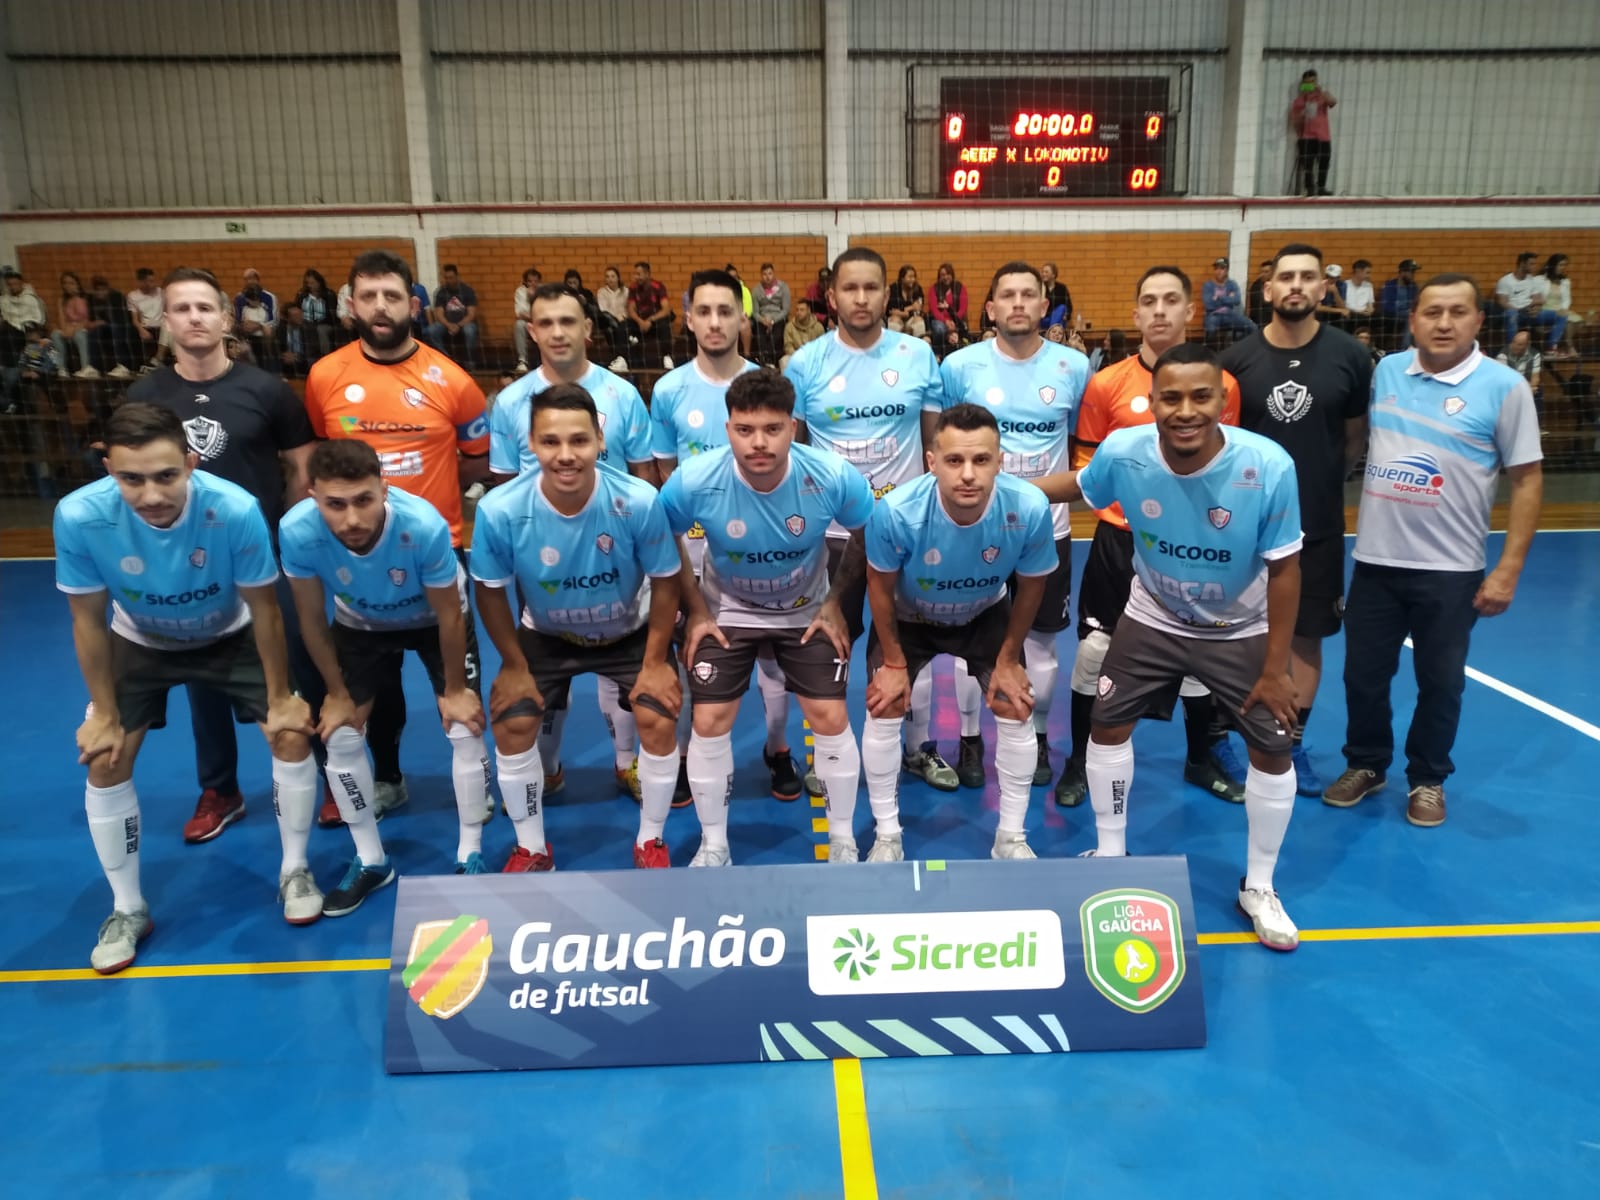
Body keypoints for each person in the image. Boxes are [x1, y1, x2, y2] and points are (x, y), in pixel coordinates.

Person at [1033, 343, 1305, 950]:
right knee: (1107, 725)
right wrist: (997, 488)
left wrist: (1276, 668)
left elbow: (1286, 570)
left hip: (1238, 629)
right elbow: (1078, 485)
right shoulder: (1125, 451)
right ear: (1151, 401)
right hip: (1152, 617)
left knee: (1271, 750)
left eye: (1201, 397)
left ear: (1223, 401)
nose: (1186, 411)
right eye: (1171, 397)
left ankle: (1259, 886)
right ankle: (1110, 854)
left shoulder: (1269, 466)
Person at [54, 402, 321, 973]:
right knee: (104, 757)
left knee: (292, 734)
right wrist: (104, 714)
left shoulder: (235, 508)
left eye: (165, 476)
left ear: (191, 462)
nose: (151, 494)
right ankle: (128, 908)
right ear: (108, 468)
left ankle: (295, 870)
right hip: (140, 642)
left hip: (230, 635)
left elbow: (265, 609)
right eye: (132, 479)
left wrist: (281, 698)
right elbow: (87, 621)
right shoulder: (78, 516)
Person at [1323, 275, 1542, 827]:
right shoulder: (1387, 373)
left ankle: (1427, 778)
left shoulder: (1504, 387)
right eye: (1433, 312)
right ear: (1412, 320)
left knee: (1440, 683)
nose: (1444, 323)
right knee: (1362, 678)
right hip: (1375, 562)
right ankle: (1366, 764)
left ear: (1479, 321)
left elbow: (1527, 480)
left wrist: (1509, 569)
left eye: (1458, 312)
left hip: (1451, 571)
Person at [128, 265, 321, 842]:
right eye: (182, 308)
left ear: (225, 318)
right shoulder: (146, 395)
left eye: (205, 307)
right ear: (166, 320)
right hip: (185, 561)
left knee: (296, 663)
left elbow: (302, 464)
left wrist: (282, 531)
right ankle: (220, 789)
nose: (194, 318)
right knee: (204, 675)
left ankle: (324, 775)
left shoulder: (265, 390)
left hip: (263, 555)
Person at [303, 249, 491, 825]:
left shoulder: (452, 380)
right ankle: (387, 779)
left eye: (391, 296)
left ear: (412, 304)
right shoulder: (325, 377)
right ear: (351, 304)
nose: (380, 307)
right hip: (354, 556)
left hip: (436, 551)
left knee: (457, 683)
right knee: (376, 687)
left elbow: (476, 460)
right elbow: (322, 460)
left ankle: (476, 783)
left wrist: (423, 509)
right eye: (368, 296)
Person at [661, 369, 873, 864]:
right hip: (727, 609)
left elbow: (867, 534)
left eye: (772, 429)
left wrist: (836, 603)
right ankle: (714, 846)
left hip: (805, 610)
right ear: (728, 429)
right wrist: (695, 609)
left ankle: (842, 840)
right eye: (745, 430)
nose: (759, 443)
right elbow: (663, 539)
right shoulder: (694, 480)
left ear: (793, 428)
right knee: (708, 719)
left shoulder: (832, 475)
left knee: (831, 716)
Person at [472, 382, 685, 871]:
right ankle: (531, 847)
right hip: (547, 636)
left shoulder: (638, 500)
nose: (565, 455)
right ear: (531, 443)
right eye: (550, 441)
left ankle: (651, 840)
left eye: (579, 440)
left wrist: (656, 661)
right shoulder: (500, 509)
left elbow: (666, 580)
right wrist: (513, 665)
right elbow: (489, 590)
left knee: (658, 716)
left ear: (599, 441)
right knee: (513, 719)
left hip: (629, 632)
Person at [1057, 266, 1246, 810]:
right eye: (1149, 301)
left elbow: (1227, 463)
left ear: (1190, 310)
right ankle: (1078, 760)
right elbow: (1086, 465)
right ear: (1135, 313)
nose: (1159, 310)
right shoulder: (1106, 384)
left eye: (1170, 300)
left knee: (1199, 650)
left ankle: (1199, 757)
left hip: (1194, 544)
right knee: (1094, 650)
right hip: (1120, 542)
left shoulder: (1224, 386)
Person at [281, 439, 491, 912]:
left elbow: (450, 616)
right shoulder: (296, 531)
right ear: (313, 496)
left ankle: (470, 852)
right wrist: (336, 693)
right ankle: (371, 860)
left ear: (384, 489)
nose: (352, 519)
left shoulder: (423, 526)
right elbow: (311, 618)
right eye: (335, 504)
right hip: (360, 624)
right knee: (339, 735)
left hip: (433, 621)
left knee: (464, 725)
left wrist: (455, 690)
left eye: (364, 500)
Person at [861, 403, 1057, 861]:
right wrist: (893, 663)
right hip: (911, 619)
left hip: (984, 615)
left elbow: (1031, 587)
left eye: (981, 460)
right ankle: (887, 837)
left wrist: (1008, 660)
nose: (968, 474)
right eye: (954, 460)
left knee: (1015, 704)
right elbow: (879, 587)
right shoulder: (897, 512)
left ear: (1000, 461)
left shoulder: (1028, 508)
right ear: (932, 462)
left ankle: (1011, 838)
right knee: (884, 705)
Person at [784, 246, 945, 792]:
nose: (860, 298)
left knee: (909, 648)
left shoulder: (918, 356)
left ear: (886, 294)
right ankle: (827, 752)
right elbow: (794, 454)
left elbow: (933, 447)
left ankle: (917, 747)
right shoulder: (806, 364)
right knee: (829, 645)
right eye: (849, 288)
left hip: (903, 532)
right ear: (831, 297)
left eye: (871, 287)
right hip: (832, 537)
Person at [488, 282, 656, 801]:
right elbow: (502, 488)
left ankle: (625, 764)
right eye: (546, 323)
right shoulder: (511, 402)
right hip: (542, 560)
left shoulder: (622, 395)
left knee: (617, 664)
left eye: (568, 321)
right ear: (532, 330)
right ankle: (550, 767)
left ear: (587, 327)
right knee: (547, 676)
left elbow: (644, 476)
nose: (558, 332)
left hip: (615, 555)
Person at [1222, 243, 1372, 796]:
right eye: (1286, 277)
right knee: (1232, 634)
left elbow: (1353, 439)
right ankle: (1227, 736)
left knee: (1307, 637)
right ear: (1267, 289)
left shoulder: (1351, 356)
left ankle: (1290, 743)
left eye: (1308, 277)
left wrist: (1319, 482)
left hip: (1316, 524)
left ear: (1321, 288)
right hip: (1243, 526)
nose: (1296, 286)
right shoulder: (1236, 360)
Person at [937, 262, 1087, 792]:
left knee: (1042, 643)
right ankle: (970, 740)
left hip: (1047, 530)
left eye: (1029, 294)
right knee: (969, 641)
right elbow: (948, 446)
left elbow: (1077, 445)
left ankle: (1039, 736)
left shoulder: (1073, 367)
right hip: (974, 529)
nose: (1018, 303)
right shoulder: (959, 366)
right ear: (990, 308)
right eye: (1008, 295)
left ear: (1045, 306)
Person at [652, 269, 800, 801]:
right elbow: (665, 475)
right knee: (697, 653)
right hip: (693, 551)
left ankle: (777, 747)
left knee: (775, 658)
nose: (715, 322)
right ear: (689, 319)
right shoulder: (668, 390)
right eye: (704, 312)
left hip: (764, 548)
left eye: (725, 311)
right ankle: (688, 754)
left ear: (744, 319)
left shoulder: (769, 384)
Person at [1496, 251, 1564, 353]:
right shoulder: (1505, 281)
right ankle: (1512, 350)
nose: (1534, 266)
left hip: (1530, 312)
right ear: (1522, 264)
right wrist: (1519, 310)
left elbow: (1539, 299)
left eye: (1534, 264)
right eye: (1531, 264)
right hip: (1515, 313)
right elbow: (1502, 302)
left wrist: (1535, 308)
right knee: (1511, 314)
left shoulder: (1532, 280)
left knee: (1561, 315)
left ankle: (1551, 347)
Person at [1289, 69, 1337, 196]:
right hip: (1306, 137)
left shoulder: (1322, 96)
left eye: (1312, 82)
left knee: (1324, 162)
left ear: (1316, 81)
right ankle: (1309, 188)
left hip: (1323, 136)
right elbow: (1294, 122)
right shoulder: (1299, 101)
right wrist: (1303, 114)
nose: (1310, 85)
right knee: (1307, 165)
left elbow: (1333, 102)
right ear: (1303, 84)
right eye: (1307, 83)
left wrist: (1320, 90)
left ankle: (1321, 188)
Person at [426, 264, 480, 367]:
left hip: (464, 323)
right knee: (431, 331)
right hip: (446, 324)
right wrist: (449, 325)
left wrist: (458, 325)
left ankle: (469, 362)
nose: (448, 280)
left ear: (457, 276)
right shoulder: (441, 292)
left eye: (451, 278)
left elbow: (471, 314)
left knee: (470, 331)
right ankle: (446, 359)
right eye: (446, 278)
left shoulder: (467, 291)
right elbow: (439, 313)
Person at [626, 261, 674, 370]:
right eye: (635, 274)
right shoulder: (633, 288)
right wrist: (640, 321)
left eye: (639, 274)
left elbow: (666, 309)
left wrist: (650, 320)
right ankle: (623, 359)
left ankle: (667, 357)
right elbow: (631, 309)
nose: (636, 277)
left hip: (655, 321)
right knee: (624, 325)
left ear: (647, 274)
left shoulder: (658, 286)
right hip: (640, 322)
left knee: (664, 324)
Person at [232, 269, 278, 370]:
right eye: (247, 279)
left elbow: (274, 320)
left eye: (253, 278)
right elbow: (237, 320)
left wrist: (258, 325)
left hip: (265, 336)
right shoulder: (239, 298)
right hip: (247, 337)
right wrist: (244, 327)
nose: (250, 281)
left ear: (258, 280)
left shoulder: (270, 297)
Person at [54, 271, 94, 378]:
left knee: (79, 335)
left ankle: (85, 368)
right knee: (55, 334)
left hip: (84, 327)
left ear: (77, 284)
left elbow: (88, 318)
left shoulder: (86, 298)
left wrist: (76, 296)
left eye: (71, 283)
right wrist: (65, 330)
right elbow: (62, 320)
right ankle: (62, 369)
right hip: (69, 327)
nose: (68, 286)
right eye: (65, 283)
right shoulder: (62, 300)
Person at [1203, 258, 1254, 342]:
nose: (1219, 271)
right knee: (1211, 328)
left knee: (1252, 327)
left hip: (1229, 314)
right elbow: (1209, 305)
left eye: (1222, 268)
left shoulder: (1232, 284)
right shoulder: (1208, 285)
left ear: (1227, 270)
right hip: (1213, 315)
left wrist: (1218, 298)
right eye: (1216, 268)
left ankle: (1239, 346)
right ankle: (1211, 349)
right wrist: (1228, 298)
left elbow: (1237, 300)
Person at [293, 269, 338, 361]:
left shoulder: (329, 294)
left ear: (319, 282)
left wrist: (316, 323)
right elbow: (297, 310)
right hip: (305, 322)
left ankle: (325, 357)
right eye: (308, 283)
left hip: (324, 323)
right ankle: (301, 358)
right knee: (301, 329)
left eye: (312, 283)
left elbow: (332, 315)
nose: (310, 286)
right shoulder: (302, 295)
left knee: (320, 330)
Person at [752, 263, 790, 366]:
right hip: (762, 319)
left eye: (770, 273)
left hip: (778, 317)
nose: (767, 277)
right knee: (759, 331)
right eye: (764, 274)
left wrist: (772, 321)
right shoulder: (756, 290)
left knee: (778, 332)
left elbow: (785, 310)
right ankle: (765, 360)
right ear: (761, 275)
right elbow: (755, 312)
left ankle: (774, 360)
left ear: (774, 274)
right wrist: (763, 320)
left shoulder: (783, 287)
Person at [928, 262, 969, 355]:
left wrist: (954, 321)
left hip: (956, 319)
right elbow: (934, 310)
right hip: (939, 320)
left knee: (963, 328)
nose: (945, 277)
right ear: (939, 276)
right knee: (940, 329)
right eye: (943, 275)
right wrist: (945, 321)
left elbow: (963, 309)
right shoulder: (934, 288)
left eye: (948, 274)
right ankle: (938, 354)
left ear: (952, 275)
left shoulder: (960, 287)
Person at [1379, 259, 1420, 349]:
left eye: (1413, 272)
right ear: (1402, 273)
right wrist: (1407, 312)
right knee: (1411, 317)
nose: (1413, 275)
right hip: (1391, 315)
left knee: (1414, 317)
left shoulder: (1413, 286)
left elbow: (1416, 303)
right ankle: (1406, 348)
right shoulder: (1390, 286)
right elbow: (1386, 306)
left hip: (1407, 314)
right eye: (1411, 272)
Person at [595, 265, 629, 368]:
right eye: (607, 276)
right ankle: (618, 357)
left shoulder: (626, 291)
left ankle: (620, 359)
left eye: (613, 276)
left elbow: (629, 308)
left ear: (618, 278)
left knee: (622, 328)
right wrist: (615, 318)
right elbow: (603, 310)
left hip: (624, 321)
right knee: (610, 329)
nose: (610, 279)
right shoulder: (601, 292)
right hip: (608, 321)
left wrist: (622, 317)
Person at [781, 297, 824, 369]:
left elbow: (822, 347)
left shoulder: (818, 327)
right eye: (797, 310)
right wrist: (799, 357)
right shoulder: (789, 327)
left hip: (813, 358)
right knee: (784, 360)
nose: (798, 313)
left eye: (802, 310)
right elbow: (788, 347)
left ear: (809, 311)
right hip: (796, 358)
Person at [512, 267, 541, 373]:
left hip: (540, 324)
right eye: (530, 281)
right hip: (528, 324)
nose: (533, 284)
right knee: (519, 324)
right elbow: (519, 313)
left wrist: (534, 298)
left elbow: (545, 312)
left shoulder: (543, 292)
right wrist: (529, 299)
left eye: (536, 281)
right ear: (525, 282)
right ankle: (522, 361)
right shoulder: (520, 292)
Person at [887, 265, 927, 339]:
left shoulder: (917, 289)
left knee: (919, 320)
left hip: (911, 319)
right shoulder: (893, 288)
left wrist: (906, 310)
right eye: (910, 277)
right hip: (897, 319)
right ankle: (893, 345)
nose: (913, 279)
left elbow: (918, 309)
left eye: (914, 277)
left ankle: (919, 345)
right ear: (902, 278)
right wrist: (910, 309)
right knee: (894, 321)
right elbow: (890, 310)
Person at [1040, 262, 1072, 333]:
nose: (1044, 274)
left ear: (1053, 275)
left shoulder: (1062, 288)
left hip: (1058, 318)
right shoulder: (1040, 287)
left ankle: (1052, 331)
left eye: (1046, 272)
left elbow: (1069, 306)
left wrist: (1066, 316)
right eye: (1043, 272)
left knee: (1062, 307)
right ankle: (1053, 332)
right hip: (1044, 319)